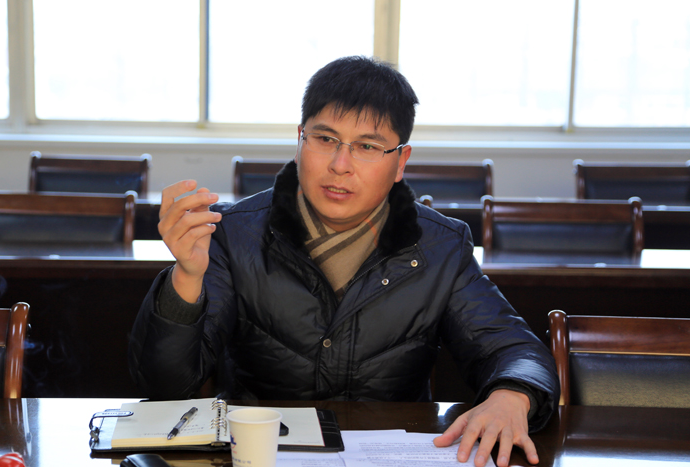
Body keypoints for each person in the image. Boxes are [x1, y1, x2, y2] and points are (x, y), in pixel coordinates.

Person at [129, 56, 559, 467]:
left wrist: (512, 395)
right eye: (325, 139)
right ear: (300, 140)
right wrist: (186, 277)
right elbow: (166, 389)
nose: (340, 165)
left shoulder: (440, 246)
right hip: (260, 455)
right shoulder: (234, 233)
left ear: (400, 162)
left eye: (367, 146)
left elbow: (516, 350)